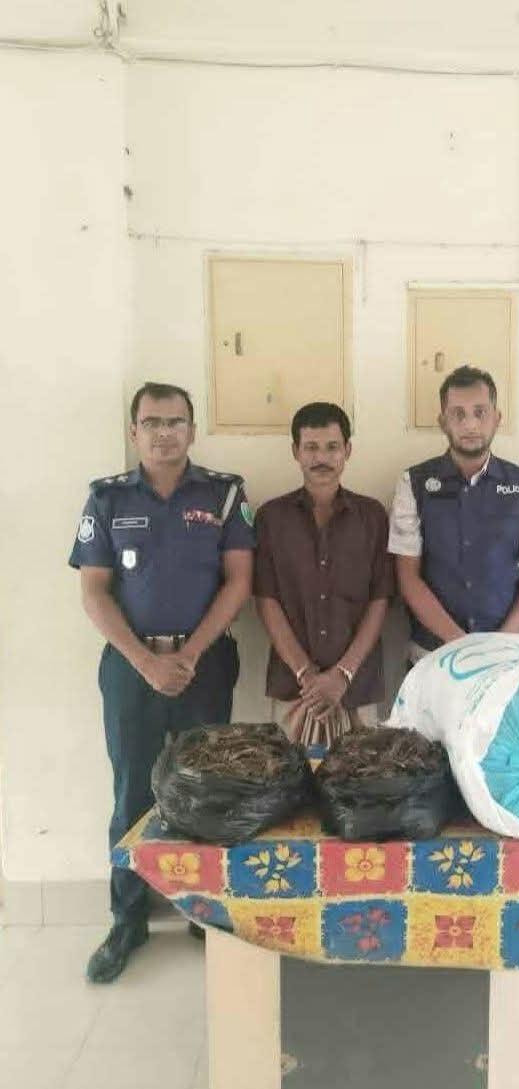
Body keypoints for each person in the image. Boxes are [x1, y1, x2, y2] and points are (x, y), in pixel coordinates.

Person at [70, 382, 255, 982]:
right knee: (132, 789)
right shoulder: (106, 498)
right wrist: (146, 662)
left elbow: (239, 582)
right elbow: (94, 591)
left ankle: (204, 913)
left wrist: (190, 654)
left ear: (192, 431)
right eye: (151, 422)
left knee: (209, 789)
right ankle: (128, 918)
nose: (164, 432)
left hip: (206, 664)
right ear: (134, 432)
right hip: (130, 667)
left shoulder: (224, 494)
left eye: (175, 422)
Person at [389, 365, 519, 659]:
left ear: (497, 419)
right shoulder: (413, 483)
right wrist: (461, 645)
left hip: (505, 653)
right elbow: (408, 578)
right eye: (458, 414)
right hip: (432, 654)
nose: (470, 424)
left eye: (480, 412)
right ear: (443, 422)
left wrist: (500, 643)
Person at [254, 403, 393, 736]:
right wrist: (307, 674)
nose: (322, 458)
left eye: (332, 447)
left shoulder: (372, 517)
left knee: (362, 771)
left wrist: (342, 675)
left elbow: (381, 600)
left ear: (347, 450)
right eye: (311, 447)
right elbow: (266, 600)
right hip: (295, 689)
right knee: (287, 770)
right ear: (296, 452)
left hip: (357, 688)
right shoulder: (271, 518)